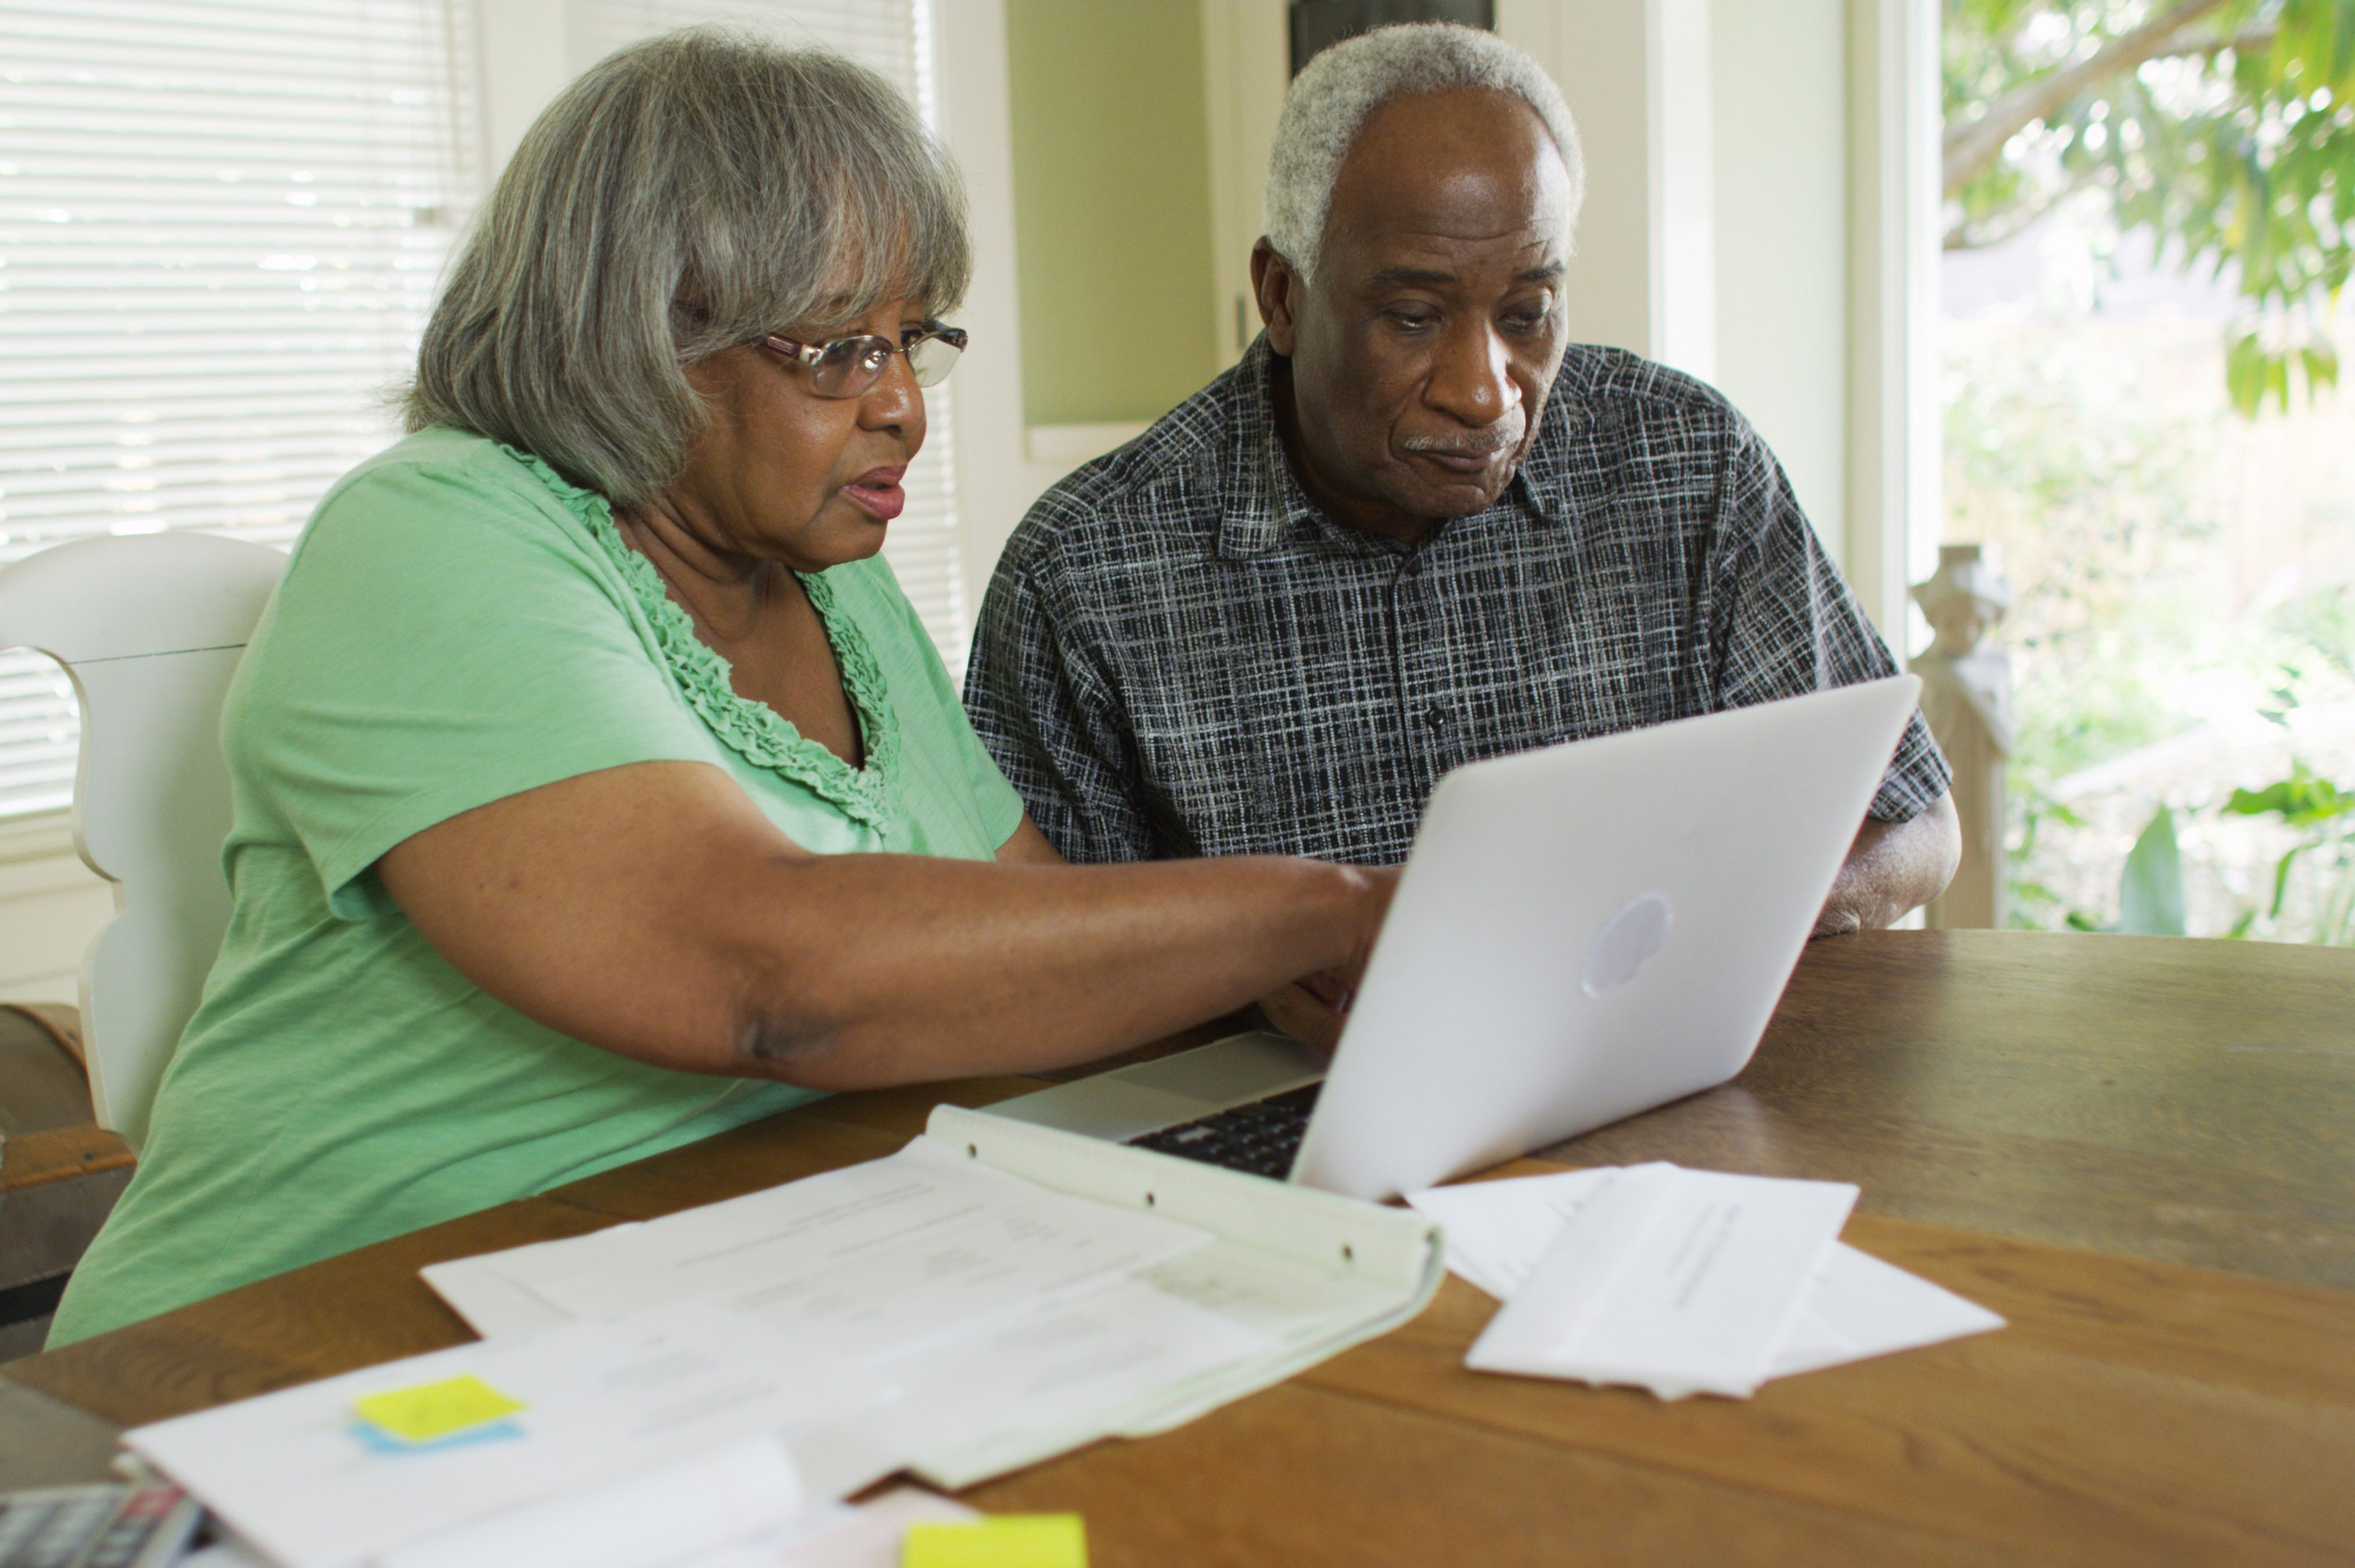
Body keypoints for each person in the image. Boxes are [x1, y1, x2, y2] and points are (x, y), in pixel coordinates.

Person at [47, 31, 1390, 1347]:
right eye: (835, 351)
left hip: (694, 1313)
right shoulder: (433, 532)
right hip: (292, 1364)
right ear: (633, 342)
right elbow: (761, 971)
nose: (905, 407)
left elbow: (1021, 945)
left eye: (910, 340)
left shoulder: (833, 580)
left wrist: (1244, 992)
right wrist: (1313, 912)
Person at [964, 23, 1960, 1001]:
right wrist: (1265, 982)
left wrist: (1691, 939)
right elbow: (1036, 973)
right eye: (1412, 316)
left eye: (1526, 314)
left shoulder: (1685, 463)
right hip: (1278, 1125)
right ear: (1282, 295)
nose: (1485, 393)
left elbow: (1911, 825)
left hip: (1659, 1089)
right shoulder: (1085, 574)